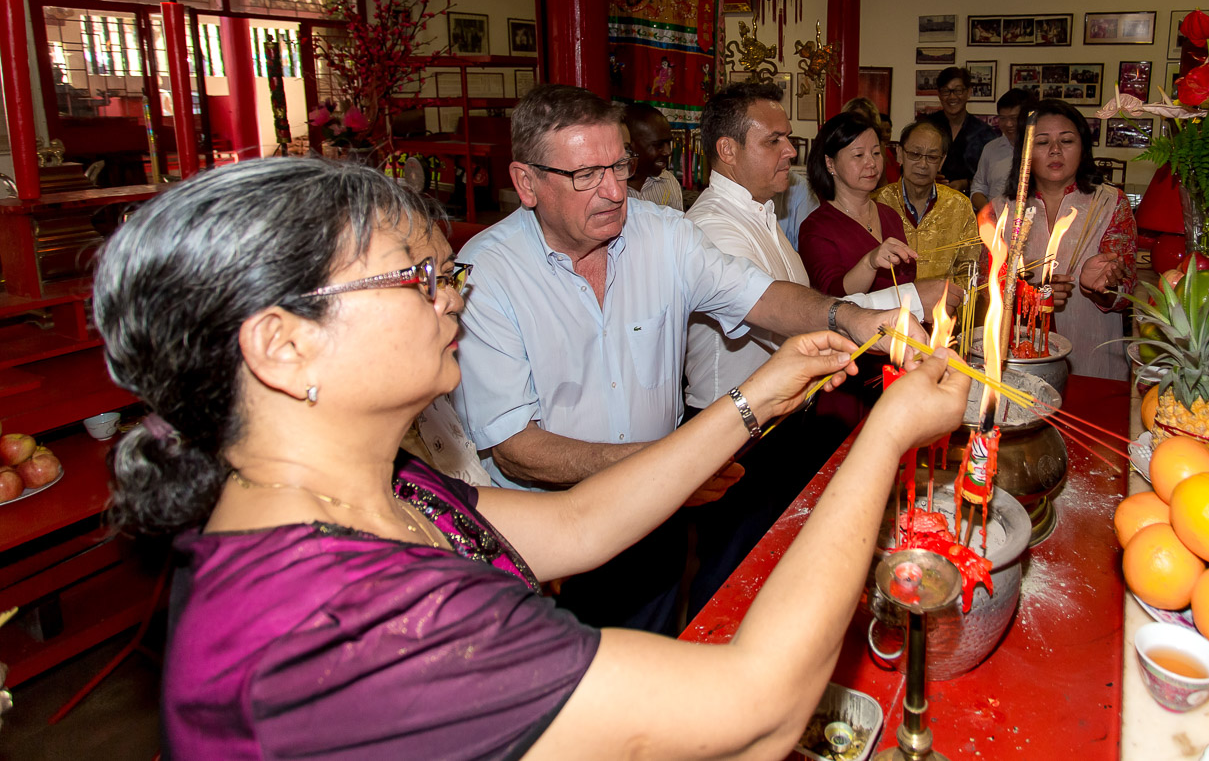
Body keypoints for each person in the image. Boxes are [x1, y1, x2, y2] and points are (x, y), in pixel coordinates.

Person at [94, 156, 971, 758]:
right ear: (281, 345)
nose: (455, 300)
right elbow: (762, 704)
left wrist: (754, 399)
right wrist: (886, 432)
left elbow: (576, 523)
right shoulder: (340, 624)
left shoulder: (372, 488)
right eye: (420, 278)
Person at [452, 85, 907, 633]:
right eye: (586, 175)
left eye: (620, 165)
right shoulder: (487, 274)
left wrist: (849, 319)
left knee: (659, 662)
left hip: (655, 525)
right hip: (547, 546)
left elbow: (763, 296)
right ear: (526, 182)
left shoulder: (662, 234)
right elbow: (516, 449)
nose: (615, 190)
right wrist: (666, 468)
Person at [683, 81, 933, 610]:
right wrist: (909, 300)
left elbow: (815, 302)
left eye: (790, 139)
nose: (792, 151)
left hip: (778, 417)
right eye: (774, 140)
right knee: (732, 572)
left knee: (773, 562)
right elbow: (789, 323)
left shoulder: (762, 215)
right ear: (728, 151)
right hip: (734, 426)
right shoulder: (710, 227)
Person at [978, 99, 1137, 380]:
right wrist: (1032, 294)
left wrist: (1099, 286)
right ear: (1024, 152)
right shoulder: (1001, 211)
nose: (1055, 150)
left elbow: (1125, 296)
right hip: (1020, 362)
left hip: (1095, 361)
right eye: (1042, 142)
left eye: (1066, 140)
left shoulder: (1110, 203)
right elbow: (985, 287)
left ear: (1083, 147)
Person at [797, 112, 919, 297]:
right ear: (830, 163)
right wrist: (869, 263)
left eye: (876, 153)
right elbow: (830, 297)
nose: (871, 163)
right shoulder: (816, 228)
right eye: (859, 155)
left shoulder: (890, 215)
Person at [873, 120, 980, 283]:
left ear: (942, 161)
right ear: (900, 154)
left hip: (943, 305)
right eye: (915, 154)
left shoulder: (959, 205)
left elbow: (968, 268)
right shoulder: (876, 203)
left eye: (932, 157)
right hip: (890, 305)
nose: (923, 164)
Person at [929, 67, 999, 195]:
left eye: (958, 90)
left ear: (968, 93)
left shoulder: (984, 134)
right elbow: (907, 168)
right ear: (939, 94)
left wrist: (965, 183)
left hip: (971, 206)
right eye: (946, 91)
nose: (952, 96)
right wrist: (928, 179)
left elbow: (994, 178)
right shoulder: (925, 127)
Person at [971, 87, 1034, 212]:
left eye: (1014, 118)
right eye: (1003, 118)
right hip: (995, 223)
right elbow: (978, 188)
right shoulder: (991, 148)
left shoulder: (1040, 150)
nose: (1008, 124)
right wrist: (989, 211)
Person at [622, 101, 683, 211]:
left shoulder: (669, 182)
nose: (668, 152)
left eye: (668, 143)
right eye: (658, 145)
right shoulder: (608, 189)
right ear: (629, 146)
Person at [843, 95, 897, 184]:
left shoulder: (880, 147)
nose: (859, 125)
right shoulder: (841, 146)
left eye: (863, 121)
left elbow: (882, 184)